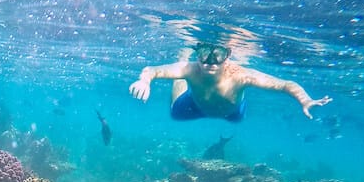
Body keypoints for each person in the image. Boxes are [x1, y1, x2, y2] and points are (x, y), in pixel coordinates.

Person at [129, 42, 332, 122]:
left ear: (227, 56)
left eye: (217, 55)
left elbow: (285, 84)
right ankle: (181, 84)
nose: (210, 61)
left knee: (237, 120)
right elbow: (152, 70)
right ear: (197, 54)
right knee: (175, 114)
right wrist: (144, 81)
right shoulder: (190, 68)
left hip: (232, 111)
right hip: (195, 104)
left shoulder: (242, 75)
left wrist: (304, 100)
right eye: (204, 54)